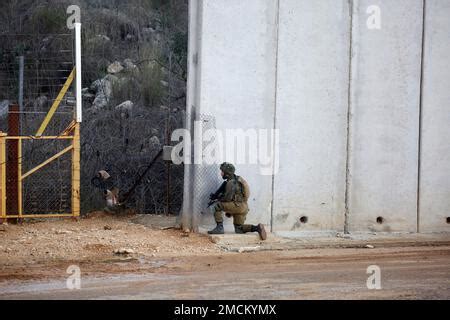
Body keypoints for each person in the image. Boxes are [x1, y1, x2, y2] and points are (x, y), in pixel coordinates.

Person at [207, 162, 267, 240]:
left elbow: (227, 199)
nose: (221, 173)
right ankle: (257, 228)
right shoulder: (238, 179)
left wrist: (217, 198)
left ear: (227, 173)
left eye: (222, 172)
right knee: (239, 229)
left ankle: (219, 228)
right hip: (244, 207)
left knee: (215, 206)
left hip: (237, 206)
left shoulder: (230, 183)